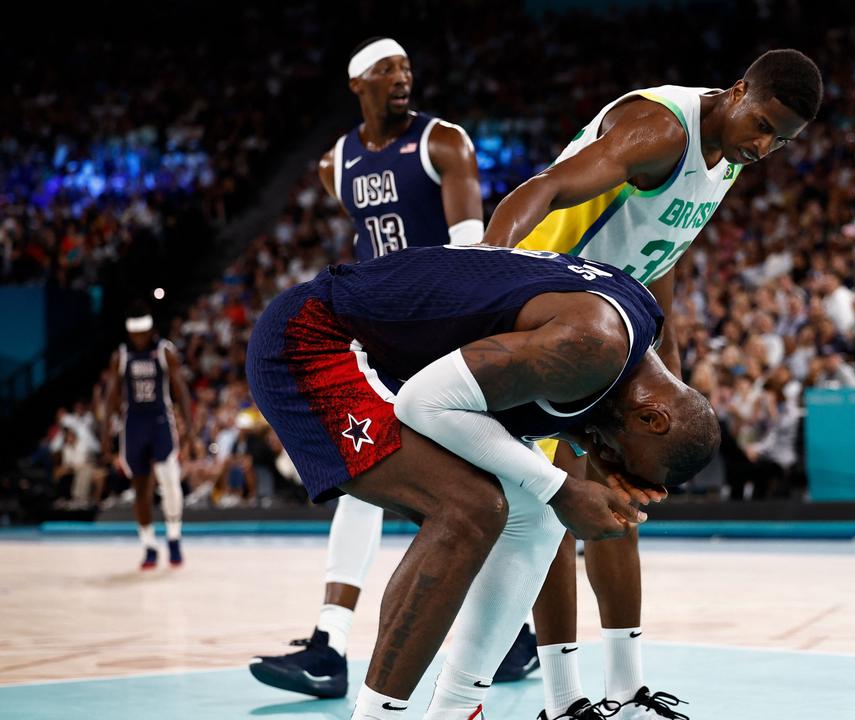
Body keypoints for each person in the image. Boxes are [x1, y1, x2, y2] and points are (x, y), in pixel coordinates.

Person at [483, 48, 820, 720]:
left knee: (620, 507)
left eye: (779, 141)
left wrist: (666, 365)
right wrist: (481, 272)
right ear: (737, 90)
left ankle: (626, 688)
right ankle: (561, 699)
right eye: (760, 125)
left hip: (608, 324)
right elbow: (545, 187)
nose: (762, 145)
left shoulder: (728, 156)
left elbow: (659, 255)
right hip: (540, 315)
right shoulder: (661, 129)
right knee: (559, 511)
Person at [245, 244, 720, 720]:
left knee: (536, 518)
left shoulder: (636, 321)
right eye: (626, 458)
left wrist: (577, 453)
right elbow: (422, 404)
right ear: (653, 418)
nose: (612, 461)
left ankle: (456, 710)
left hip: (381, 352)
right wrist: (563, 487)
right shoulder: (590, 345)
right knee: (470, 509)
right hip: (312, 340)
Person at [248, 36, 514, 699]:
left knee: (478, 484)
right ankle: (330, 645)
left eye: (407, 68)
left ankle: (509, 636)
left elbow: (471, 250)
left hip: (443, 327)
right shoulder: (334, 162)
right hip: (379, 330)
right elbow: (369, 241)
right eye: (388, 69)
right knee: (361, 472)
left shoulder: (442, 142)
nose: (404, 76)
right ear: (358, 82)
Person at [100, 302, 195, 569]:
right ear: (130, 332)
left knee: (170, 480)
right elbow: (110, 398)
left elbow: (181, 390)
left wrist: (189, 427)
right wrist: (106, 432)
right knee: (140, 487)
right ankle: (149, 544)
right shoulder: (121, 356)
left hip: (160, 420)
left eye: (144, 333)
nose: (140, 338)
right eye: (136, 334)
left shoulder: (164, 351)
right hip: (133, 424)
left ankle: (174, 538)